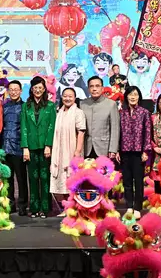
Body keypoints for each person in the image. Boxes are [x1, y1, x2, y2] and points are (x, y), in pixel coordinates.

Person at [20, 76, 56, 218]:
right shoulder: (25, 105)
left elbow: (51, 127)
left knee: (44, 177)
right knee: (33, 178)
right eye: (35, 88)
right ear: (32, 89)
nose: (38, 90)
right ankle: (34, 207)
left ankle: (45, 208)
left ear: (44, 89)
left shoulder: (50, 106)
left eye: (40, 87)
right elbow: (23, 127)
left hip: (44, 147)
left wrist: (48, 145)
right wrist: (25, 147)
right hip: (31, 147)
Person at [50, 87, 86, 216]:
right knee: (61, 179)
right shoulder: (59, 112)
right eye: (65, 96)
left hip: (72, 150)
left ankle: (74, 209)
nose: (67, 98)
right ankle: (66, 208)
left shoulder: (78, 112)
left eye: (70, 96)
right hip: (59, 150)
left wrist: (78, 151)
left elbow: (81, 132)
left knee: (72, 179)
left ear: (75, 98)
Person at [117, 86, 151, 217]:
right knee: (127, 181)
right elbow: (118, 133)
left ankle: (138, 207)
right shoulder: (122, 113)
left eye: (135, 94)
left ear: (139, 97)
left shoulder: (144, 112)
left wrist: (145, 151)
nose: (133, 97)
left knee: (138, 181)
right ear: (126, 96)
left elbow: (147, 133)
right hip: (125, 151)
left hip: (138, 152)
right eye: (130, 94)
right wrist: (118, 150)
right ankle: (129, 206)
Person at [2, 80, 28, 215]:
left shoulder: (25, 107)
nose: (13, 92)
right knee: (8, 179)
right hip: (5, 148)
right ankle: (10, 204)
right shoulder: (4, 107)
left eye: (16, 89)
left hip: (19, 147)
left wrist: (25, 147)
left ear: (20, 91)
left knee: (21, 178)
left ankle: (23, 205)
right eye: (11, 89)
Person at [79, 76, 120, 158]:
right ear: (88, 89)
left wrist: (113, 149)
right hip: (86, 148)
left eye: (97, 86)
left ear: (102, 88)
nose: (94, 89)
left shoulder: (111, 104)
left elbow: (115, 128)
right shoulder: (82, 104)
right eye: (91, 86)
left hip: (104, 148)